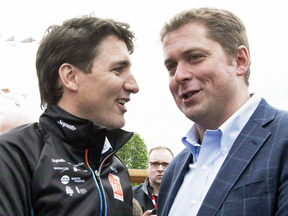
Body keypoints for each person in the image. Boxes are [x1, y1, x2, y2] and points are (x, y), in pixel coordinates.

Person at [0, 15, 139, 216]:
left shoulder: (115, 166)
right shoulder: (13, 154)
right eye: (118, 69)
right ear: (70, 77)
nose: (134, 86)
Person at [157, 7, 288, 216]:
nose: (179, 75)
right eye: (171, 66)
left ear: (240, 60)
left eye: (195, 57)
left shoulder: (283, 138)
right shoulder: (174, 170)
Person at [133, 146, 174, 215]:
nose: (160, 169)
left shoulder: (182, 195)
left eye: (165, 164)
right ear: (147, 167)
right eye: (155, 164)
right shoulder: (131, 196)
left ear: (173, 167)